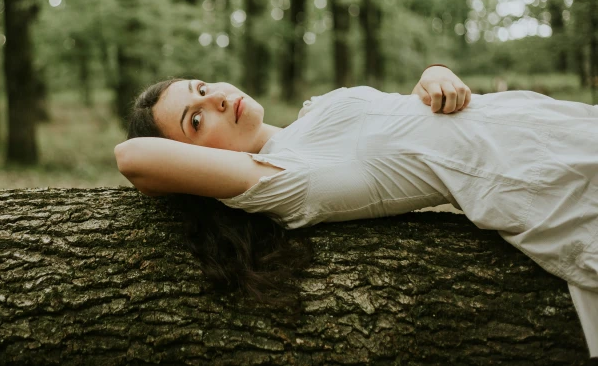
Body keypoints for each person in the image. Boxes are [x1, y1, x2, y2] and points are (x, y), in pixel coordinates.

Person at [114, 65, 598, 356]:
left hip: (558, 129)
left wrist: (433, 78)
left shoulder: (312, 117)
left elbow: (406, 138)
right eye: (197, 120)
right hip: (552, 181)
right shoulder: (284, 179)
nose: (217, 98)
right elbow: (132, 158)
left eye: (202, 88)